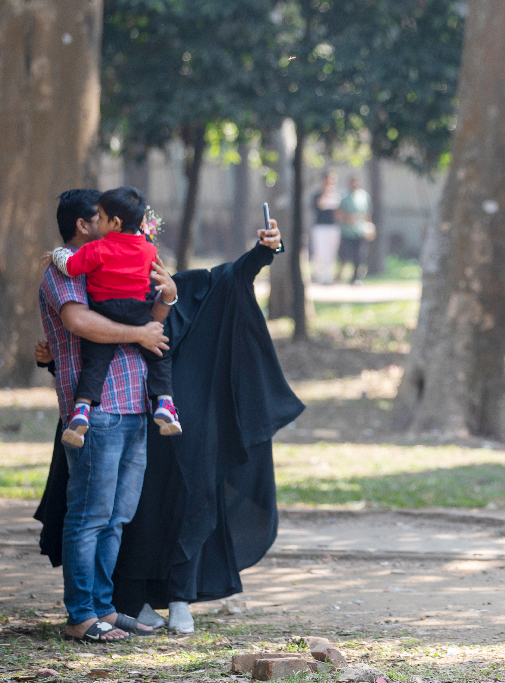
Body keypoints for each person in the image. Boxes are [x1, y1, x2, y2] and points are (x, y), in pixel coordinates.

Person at [35, 218, 304, 634]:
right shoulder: (106, 297)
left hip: (188, 425)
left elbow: (231, 277)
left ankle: (181, 597)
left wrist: (265, 251)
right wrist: (52, 359)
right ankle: (130, 600)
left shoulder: (183, 287)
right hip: (131, 420)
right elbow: (88, 351)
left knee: (193, 505)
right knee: (130, 517)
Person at [36, 189, 177, 642]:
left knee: (116, 518)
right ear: (84, 225)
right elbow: (80, 323)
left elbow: (152, 319)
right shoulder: (64, 270)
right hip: (95, 411)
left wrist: (168, 295)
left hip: (135, 403)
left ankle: (103, 608)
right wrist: (139, 333)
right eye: (100, 216)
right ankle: (81, 615)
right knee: (89, 516)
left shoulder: (121, 259)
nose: (110, 222)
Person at [48, 186, 181, 448]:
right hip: (137, 312)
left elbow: (71, 267)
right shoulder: (149, 251)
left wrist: (56, 254)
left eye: (102, 216)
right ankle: (165, 402)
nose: (99, 220)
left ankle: (82, 409)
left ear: (116, 222)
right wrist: (142, 332)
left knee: (94, 363)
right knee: (160, 354)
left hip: (105, 309)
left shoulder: (96, 249)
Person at [338, 175, 373, 284]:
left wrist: (369, 226)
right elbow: (338, 213)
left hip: (360, 230)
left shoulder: (364, 196)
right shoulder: (344, 197)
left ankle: (355, 277)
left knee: (360, 254)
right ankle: (340, 273)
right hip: (347, 231)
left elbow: (367, 213)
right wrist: (347, 218)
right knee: (346, 254)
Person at [309, 172, 342, 285]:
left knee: (331, 253)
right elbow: (318, 206)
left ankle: (328, 277)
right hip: (320, 227)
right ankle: (318, 275)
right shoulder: (317, 194)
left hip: (333, 227)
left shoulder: (337, 195)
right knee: (320, 252)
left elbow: (339, 212)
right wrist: (326, 192)